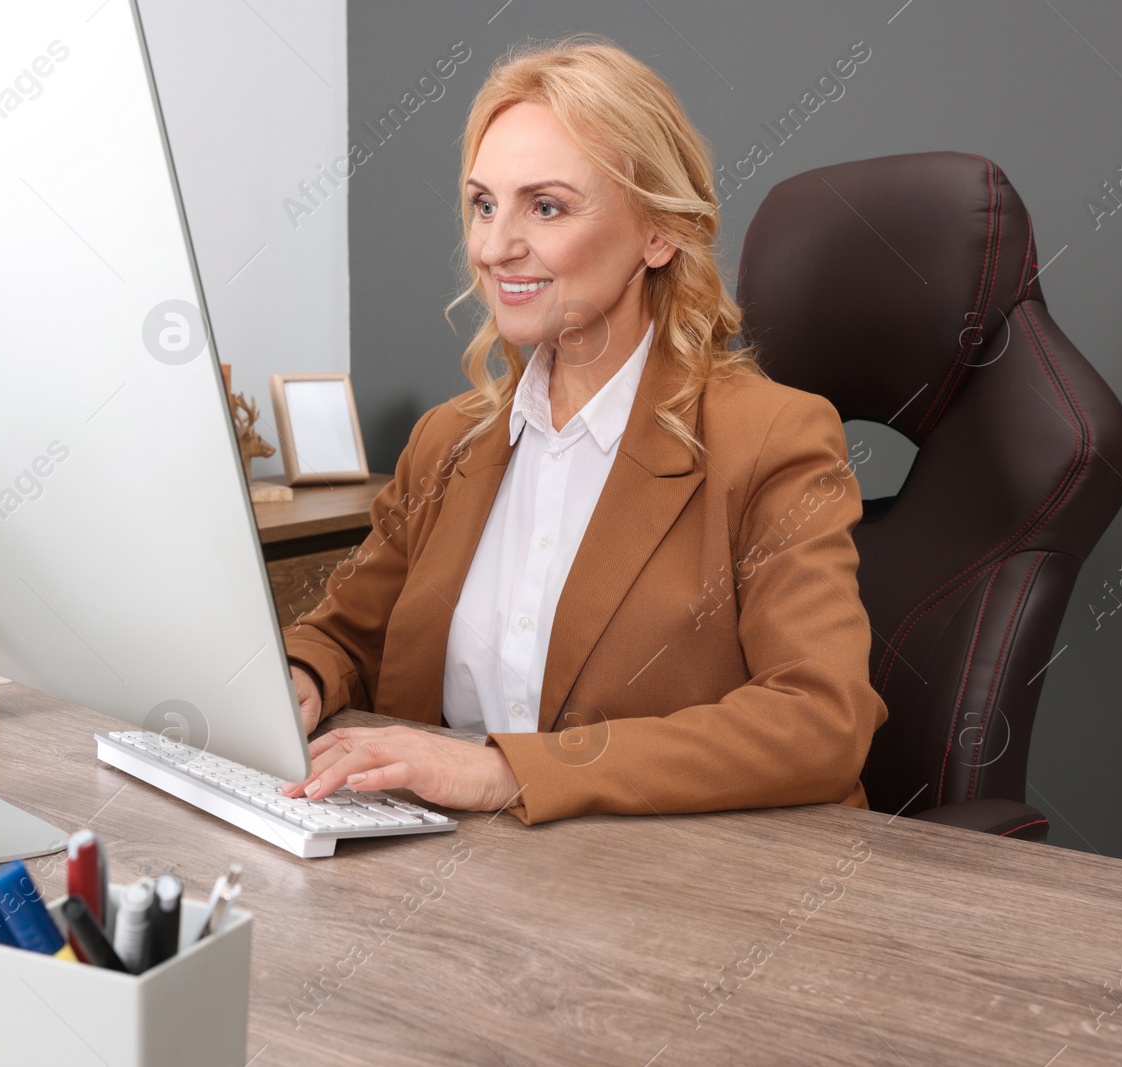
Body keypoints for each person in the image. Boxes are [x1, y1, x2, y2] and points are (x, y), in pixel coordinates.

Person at [279, 35, 887, 826]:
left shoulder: (774, 438)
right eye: (483, 203)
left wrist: (511, 770)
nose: (495, 248)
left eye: (547, 206)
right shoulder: (448, 441)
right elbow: (348, 635)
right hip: (454, 881)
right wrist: (304, 677)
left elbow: (820, 719)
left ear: (658, 232)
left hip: (682, 898)